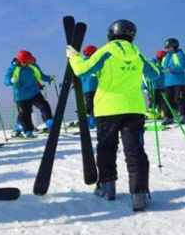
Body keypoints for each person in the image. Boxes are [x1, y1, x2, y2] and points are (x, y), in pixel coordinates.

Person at [66, 19, 160, 211]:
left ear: (111, 33)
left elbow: (82, 71)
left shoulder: (106, 50)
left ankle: (107, 189)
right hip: (133, 109)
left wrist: (73, 55)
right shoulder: (137, 53)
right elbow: (155, 74)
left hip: (107, 109)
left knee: (107, 149)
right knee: (135, 151)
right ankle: (140, 195)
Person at [4, 50, 54, 137]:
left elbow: (40, 75)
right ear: (19, 60)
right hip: (21, 96)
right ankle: (27, 131)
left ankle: (50, 122)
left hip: (34, 92)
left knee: (44, 105)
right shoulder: (12, 68)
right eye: (24, 62)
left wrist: (49, 78)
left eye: (28, 62)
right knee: (25, 114)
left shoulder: (33, 66)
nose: (26, 64)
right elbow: (5, 80)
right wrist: (11, 81)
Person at [161, 38, 185, 124]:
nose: (167, 49)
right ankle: (168, 117)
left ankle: (184, 115)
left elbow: (183, 66)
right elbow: (163, 67)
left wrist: (172, 69)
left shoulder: (179, 54)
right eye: (166, 47)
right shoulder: (166, 56)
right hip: (168, 81)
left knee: (179, 98)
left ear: (174, 46)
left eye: (168, 47)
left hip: (178, 81)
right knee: (168, 99)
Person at [81, 45, 98, 129]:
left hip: (85, 89)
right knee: (95, 104)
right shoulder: (93, 62)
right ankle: (92, 122)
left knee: (89, 104)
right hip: (95, 87)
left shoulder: (81, 62)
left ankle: (89, 121)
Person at [146, 50, 166, 120]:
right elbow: (153, 68)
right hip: (154, 85)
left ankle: (163, 112)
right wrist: (163, 68)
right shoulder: (153, 61)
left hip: (163, 85)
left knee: (163, 100)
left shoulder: (164, 62)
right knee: (154, 100)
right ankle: (150, 113)